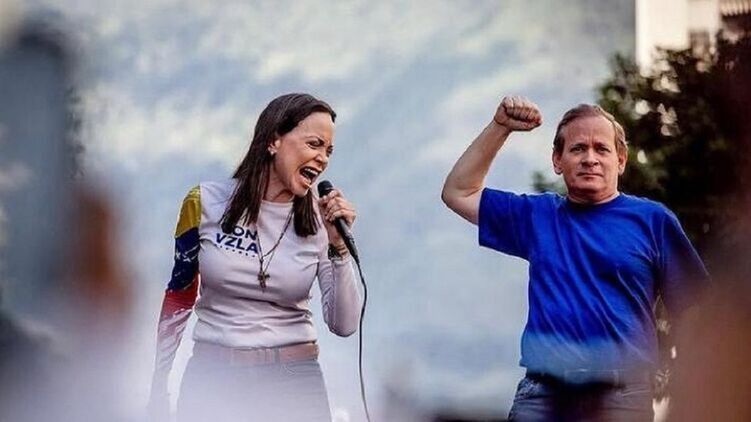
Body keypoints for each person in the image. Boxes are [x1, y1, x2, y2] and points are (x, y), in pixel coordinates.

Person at [441, 96, 709, 421]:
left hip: (622, 398)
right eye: (578, 148)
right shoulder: (537, 215)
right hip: (542, 397)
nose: (590, 159)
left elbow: (694, 309)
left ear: (620, 160)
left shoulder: (653, 221)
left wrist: (689, 381)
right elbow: (458, 192)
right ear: (557, 160)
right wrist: (500, 127)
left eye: (601, 149)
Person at [148, 93, 361, 422]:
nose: (322, 159)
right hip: (213, 376)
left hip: (294, 381)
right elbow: (179, 295)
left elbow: (344, 325)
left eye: (328, 151)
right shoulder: (204, 202)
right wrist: (159, 383)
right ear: (274, 140)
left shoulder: (321, 220)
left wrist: (339, 248)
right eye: (314, 144)